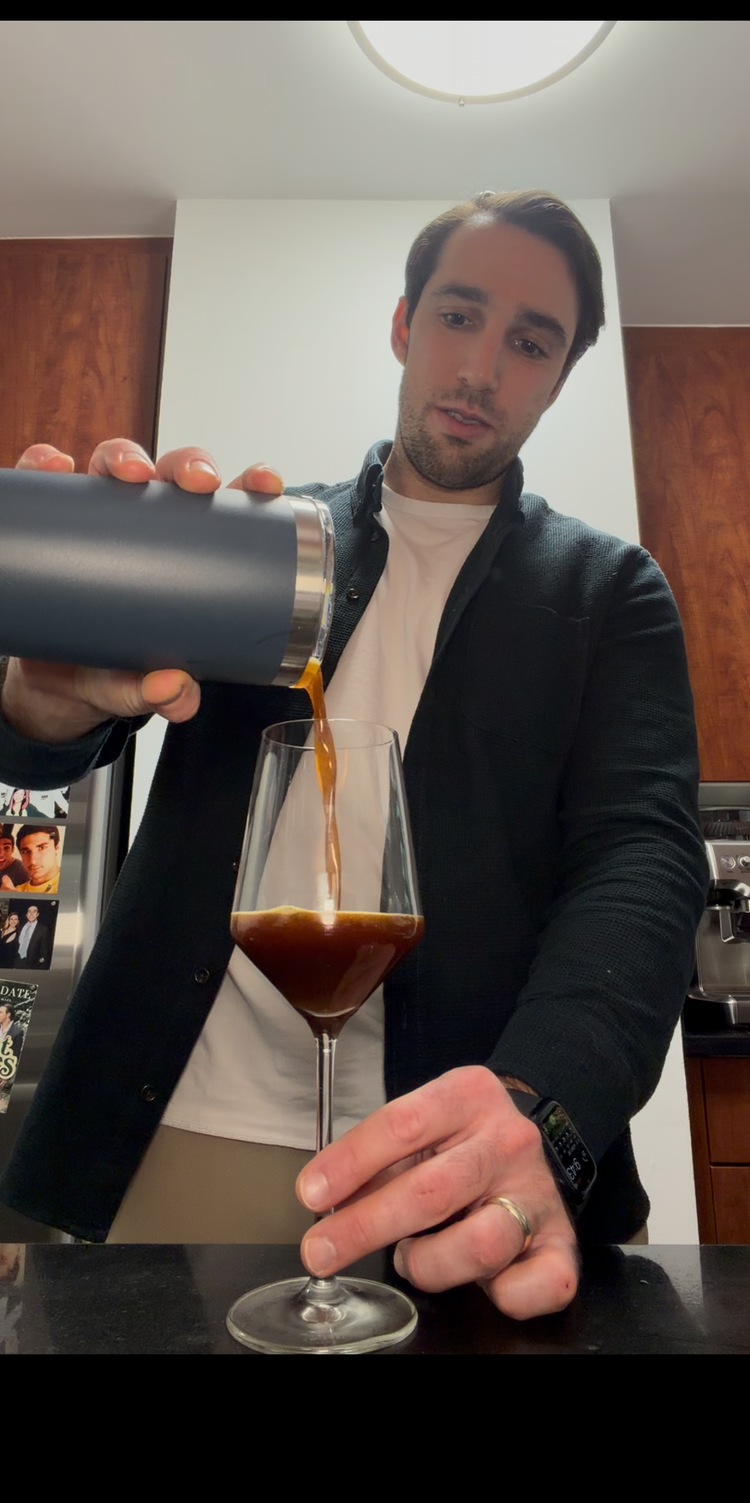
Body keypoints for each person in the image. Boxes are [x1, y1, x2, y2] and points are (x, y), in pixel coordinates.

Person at [0, 191, 708, 1321]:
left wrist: (538, 1104)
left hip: (440, 1160)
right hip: (165, 1126)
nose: (481, 365)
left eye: (530, 341)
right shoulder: (249, 535)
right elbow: (47, 745)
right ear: (403, 324)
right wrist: (44, 692)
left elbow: (642, 862)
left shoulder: (609, 593)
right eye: (459, 316)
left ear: (561, 374)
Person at [14, 825, 61, 895]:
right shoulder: (16, 891)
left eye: (42, 848)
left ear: (56, 847)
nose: (33, 861)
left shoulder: (72, 886)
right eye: (25, 852)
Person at [15, 906, 50, 970]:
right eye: (29, 911)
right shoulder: (21, 925)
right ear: (26, 914)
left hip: (31, 964)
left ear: (38, 914)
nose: (31, 914)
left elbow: (44, 950)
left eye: (34, 911)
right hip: (17, 960)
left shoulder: (43, 929)